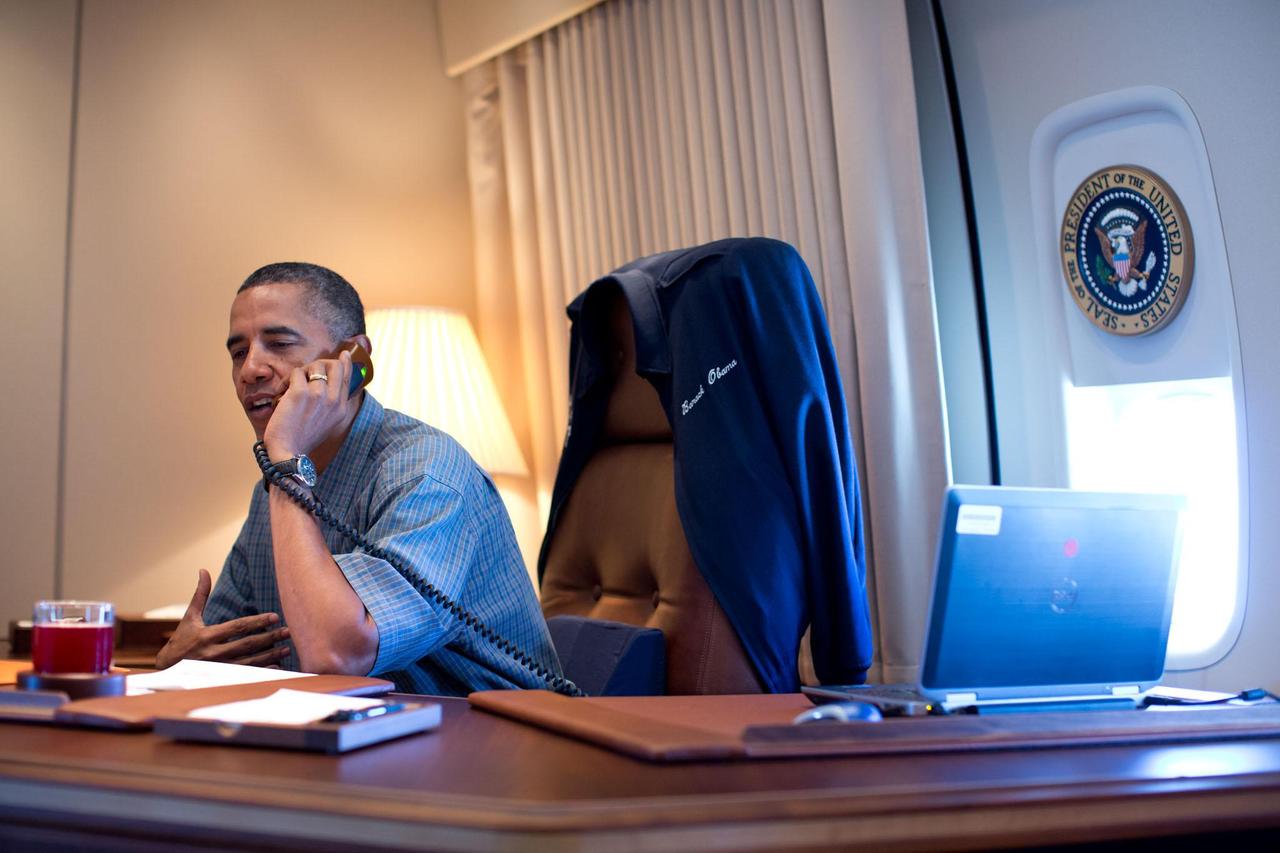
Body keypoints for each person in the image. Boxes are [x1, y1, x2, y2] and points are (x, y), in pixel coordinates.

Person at [155, 262, 561, 695]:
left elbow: (336, 657)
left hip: (492, 742)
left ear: (352, 359)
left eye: (278, 344)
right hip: (357, 741)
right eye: (238, 352)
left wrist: (287, 458)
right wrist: (174, 666)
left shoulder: (428, 472)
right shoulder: (274, 490)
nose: (250, 369)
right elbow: (224, 652)